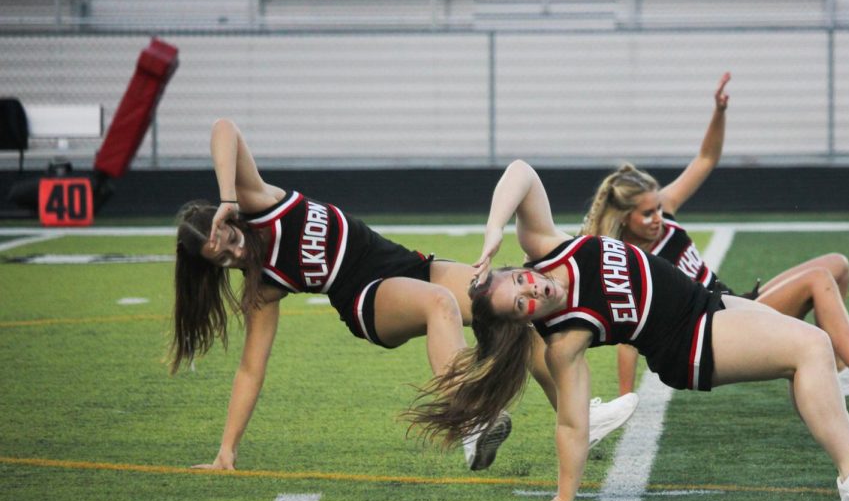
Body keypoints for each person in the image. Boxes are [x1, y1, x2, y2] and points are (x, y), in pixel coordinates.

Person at [407, 158, 849, 501]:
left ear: (518, 266)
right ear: (521, 321)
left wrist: (493, 228)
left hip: (708, 303)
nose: (532, 292)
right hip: (690, 344)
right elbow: (571, 425)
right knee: (809, 347)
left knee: (813, 346)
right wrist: (563, 499)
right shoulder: (565, 338)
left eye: (520, 281)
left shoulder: (547, 245)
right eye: (521, 305)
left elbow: (520, 172)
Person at [170, 118, 638, 472]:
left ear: (227, 220)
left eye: (228, 239)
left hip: (403, 262)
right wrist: (226, 451)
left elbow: (223, 128)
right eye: (222, 260)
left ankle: (580, 419)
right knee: (442, 305)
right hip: (366, 298)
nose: (233, 252)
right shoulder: (263, 287)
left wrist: (228, 196)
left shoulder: (258, 202)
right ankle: (472, 422)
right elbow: (252, 368)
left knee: (520, 309)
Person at [580, 72, 849, 410]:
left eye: (658, 207)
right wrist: (626, 396)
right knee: (818, 279)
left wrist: (719, 112)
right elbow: (628, 337)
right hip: (715, 323)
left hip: (735, 303)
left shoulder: (665, 212)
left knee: (836, 265)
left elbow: (706, 159)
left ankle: (841, 372)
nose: (658, 216)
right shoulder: (630, 259)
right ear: (624, 218)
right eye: (647, 214)